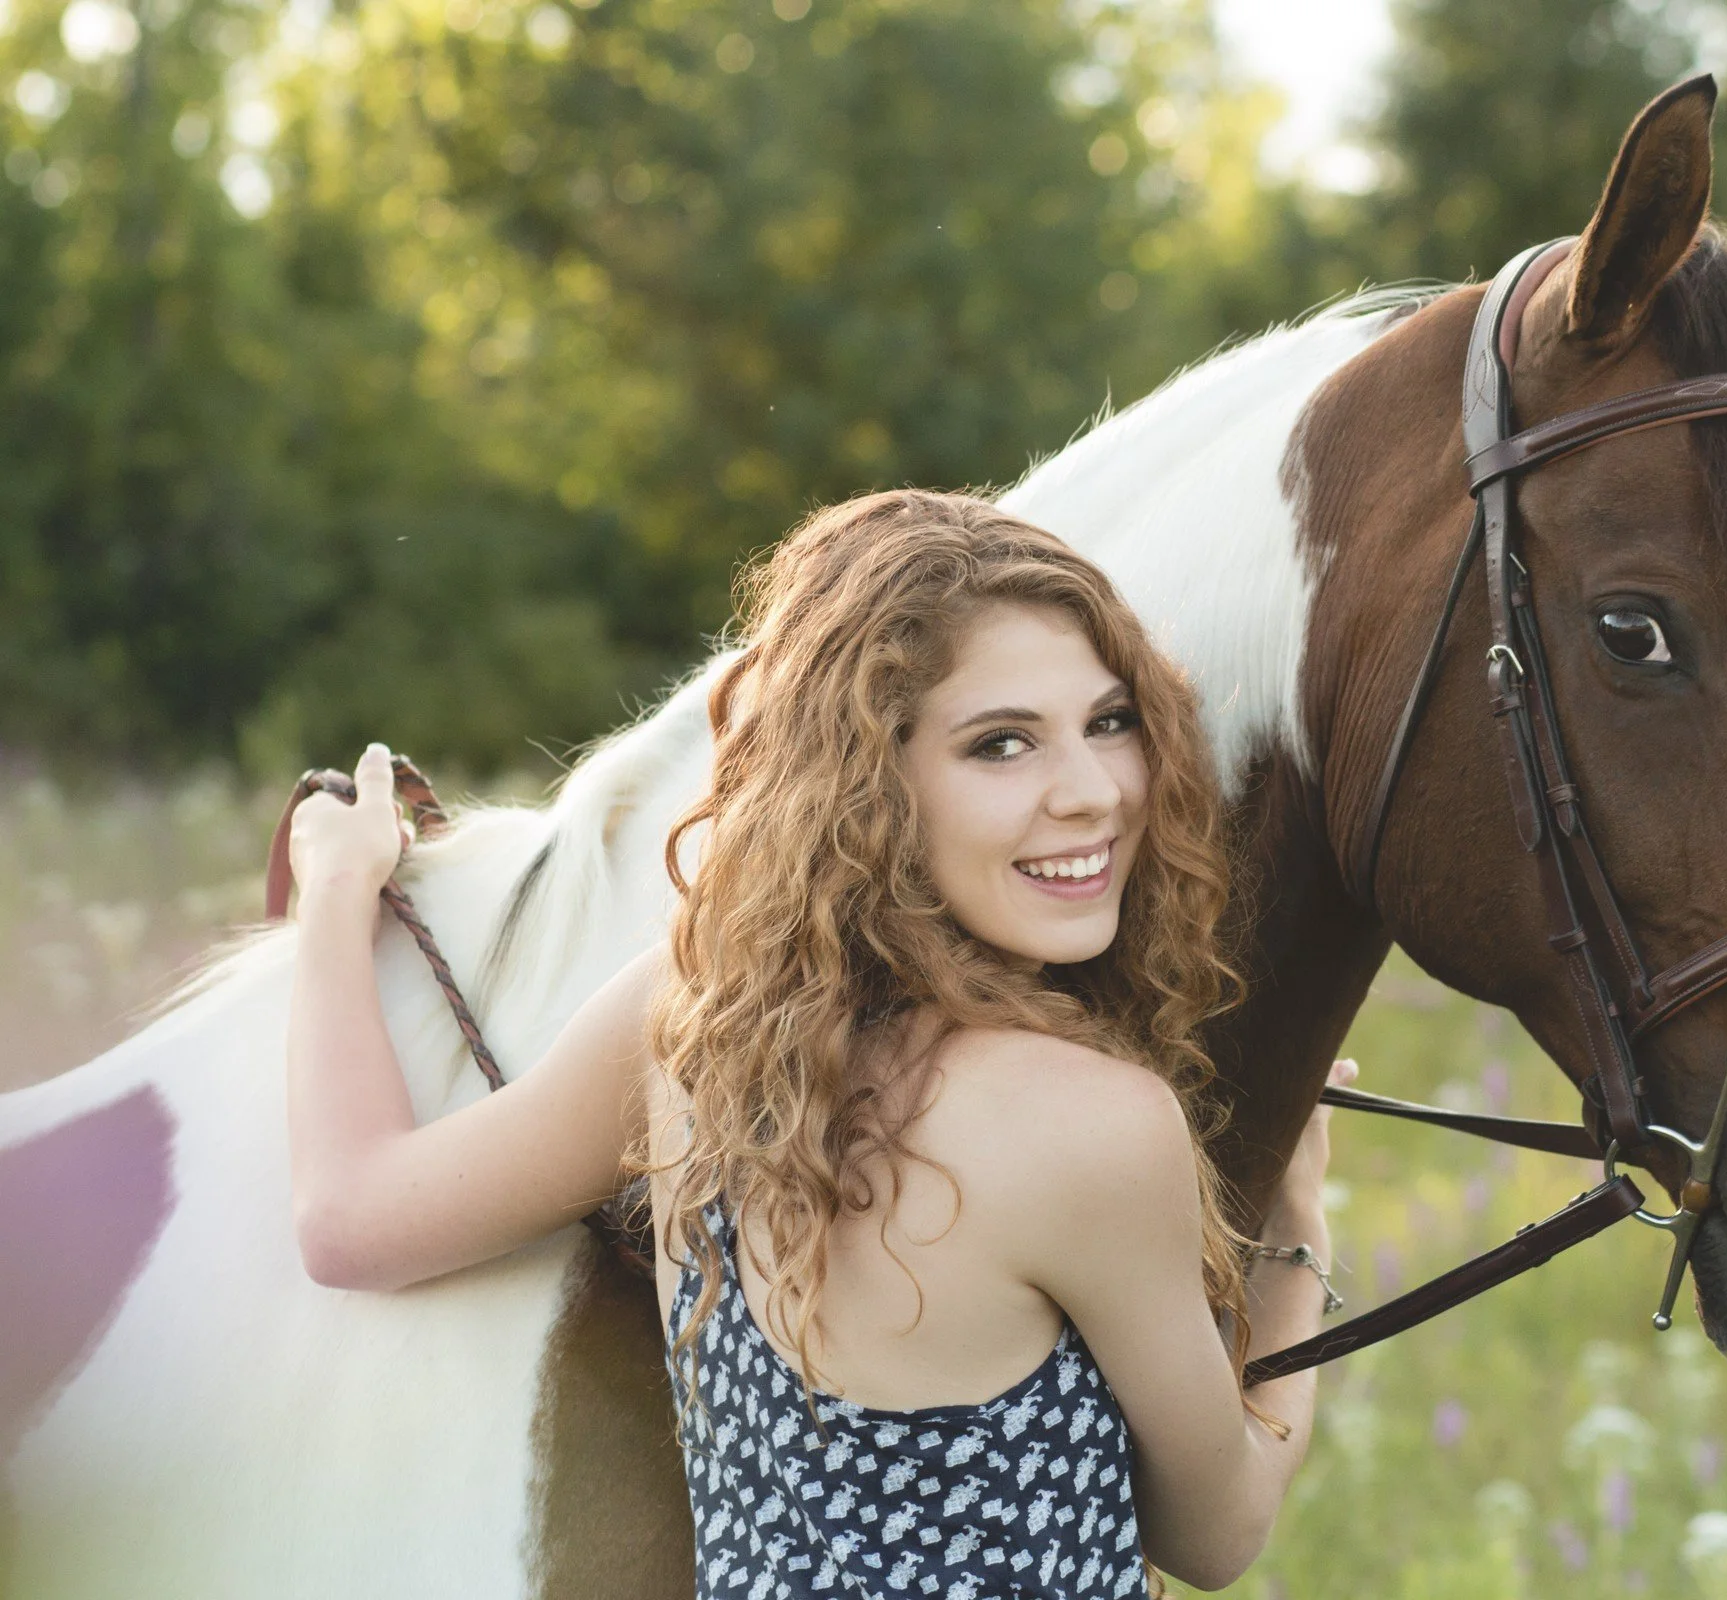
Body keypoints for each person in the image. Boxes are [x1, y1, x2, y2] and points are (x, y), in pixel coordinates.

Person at [282, 489, 1354, 1597]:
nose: (1091, 793)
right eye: (1001, 745)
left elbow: (352, 1219)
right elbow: (1219, 1535)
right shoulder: (1091, 1124)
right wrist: (1294, 1229)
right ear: (867, 781)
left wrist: (334, 890)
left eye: (1110, 721)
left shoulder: (688, 1024)